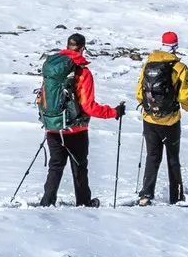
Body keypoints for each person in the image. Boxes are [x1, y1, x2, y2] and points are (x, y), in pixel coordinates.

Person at [36, 32, 124, 207]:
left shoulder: (53, 67)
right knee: (79, 167)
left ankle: (47, 202)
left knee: (55, 165)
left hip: (53, 125)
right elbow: (88, 106)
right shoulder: (82, 72)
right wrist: (114, 112)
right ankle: (83, 203)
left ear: (67, 46)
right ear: (83, 48)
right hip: (75, 129)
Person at [134, 31, 188, 205]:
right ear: (176, 46)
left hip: (149, 120)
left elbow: (139, 94)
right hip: (171, 120)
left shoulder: (148, 64)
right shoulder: (180, 68)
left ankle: (145, 195)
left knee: (152, 156)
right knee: (173, 157)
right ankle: (176, 196)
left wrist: (150, 108)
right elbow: (184, 98)